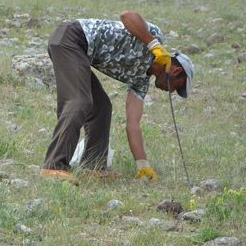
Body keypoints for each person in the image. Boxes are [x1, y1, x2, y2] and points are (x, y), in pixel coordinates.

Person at [40, 10, 194, 184]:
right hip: (71, 38)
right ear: (176, 71)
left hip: (80, 52)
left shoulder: (141, 81)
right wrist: (153, 44)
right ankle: (54, 166)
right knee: (79, 101)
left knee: (102, 108)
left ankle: (93, 167)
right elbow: (127, 15)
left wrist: (142, 165)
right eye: (177, 86)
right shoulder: (154, 37)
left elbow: (132, 125)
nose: (172, 91)